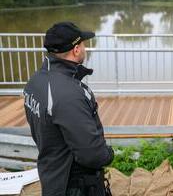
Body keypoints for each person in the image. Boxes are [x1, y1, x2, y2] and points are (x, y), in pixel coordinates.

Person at [24, 22, 114, 196]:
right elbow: (92, 155)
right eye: (83, 44)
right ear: (76, 50)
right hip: (73, 185)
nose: (85, 48)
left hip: (51, 173)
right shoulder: (69, 95)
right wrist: (108, 154)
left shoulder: (35, 81)